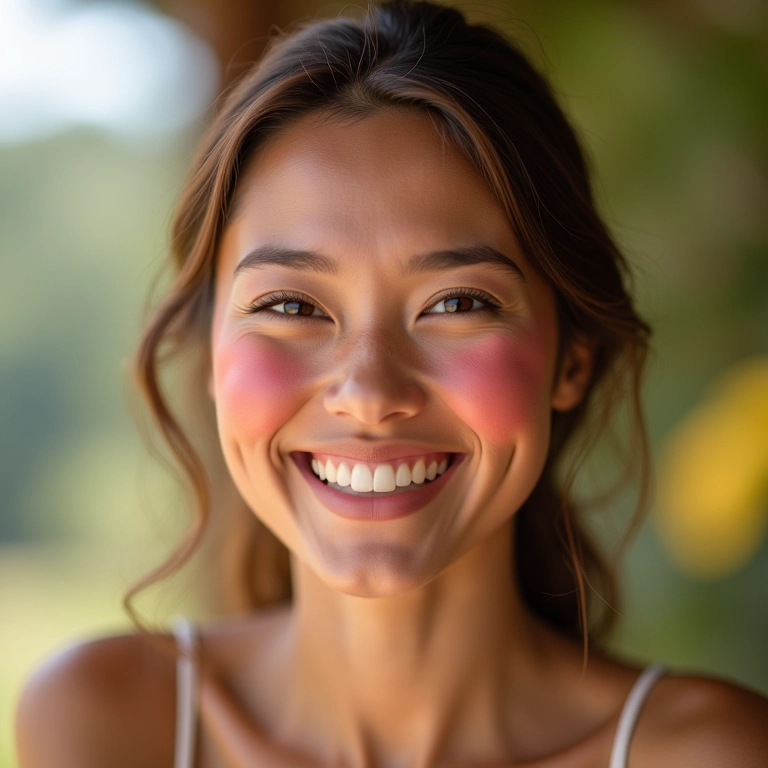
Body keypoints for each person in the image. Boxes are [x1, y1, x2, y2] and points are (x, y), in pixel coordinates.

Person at [15, 2, 768, 766]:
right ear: (212, 356)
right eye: (290, 306)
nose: (369, 391)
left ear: (570, 360)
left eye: (458, 304)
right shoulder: (101, 726)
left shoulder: (708, 754)